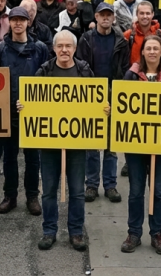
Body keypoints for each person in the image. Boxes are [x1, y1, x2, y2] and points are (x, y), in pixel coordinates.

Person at [31, 31, 96, 251]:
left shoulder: (84, 71)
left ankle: (76, 232)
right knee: (49, 190)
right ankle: (49, 231)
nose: (65, 50)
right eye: (60, 46)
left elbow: (96, 100)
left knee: (77, 190)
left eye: (69, 46)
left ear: (75, 49)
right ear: (54, 48)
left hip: (77, 144)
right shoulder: (44, 71)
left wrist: (103, 108)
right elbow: (32, 100)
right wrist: (24, 106)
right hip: (49, 144)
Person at [118, 34, 161, 254]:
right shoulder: (131, 76)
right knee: (135, 191)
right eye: (148, 48)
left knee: (159, 192)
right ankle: (134, 233)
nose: (152, 52)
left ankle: (157, 233)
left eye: (156, 48)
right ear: (142, 52)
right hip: (136, 144)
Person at [0, 7, 50, 215]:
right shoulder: (0, 48)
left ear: (28, 23)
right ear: (10, 22)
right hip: (8, 113)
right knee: (9, 158)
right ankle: (10, 196)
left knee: (33, 158)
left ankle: (32, 196)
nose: (18, 23)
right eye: (14, 19)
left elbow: (46, 78)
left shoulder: (40, 48)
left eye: (21, 20)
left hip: (32, 114)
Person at [76, 3, 130, 203]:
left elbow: (124, 68)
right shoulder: (86, 39)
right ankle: (91, 185)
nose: (106, 18)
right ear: (96, 17)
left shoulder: (121, 41)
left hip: (114, 93)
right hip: (92, 94)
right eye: (102, 15)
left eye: (109, 15)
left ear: (113, 18)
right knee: (92, 143)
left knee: (111, 145)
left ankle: (110, 185)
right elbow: (80, 65)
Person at [124, 1, 161, 65]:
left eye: (148, 13)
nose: (145, 16)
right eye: (141, 13)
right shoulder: (128, 35)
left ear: (153, 14)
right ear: (136, 14)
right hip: (133, 74)